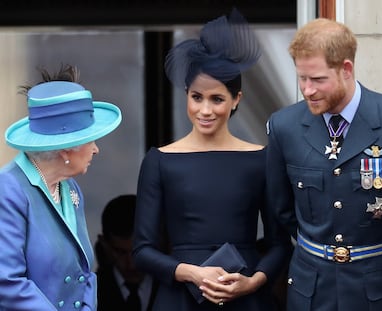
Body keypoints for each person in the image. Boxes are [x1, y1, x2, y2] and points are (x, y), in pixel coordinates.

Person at [132, 8, 292, 311]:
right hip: (179, 298)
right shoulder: (160, 160)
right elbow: (142, 250)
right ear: (186, 95)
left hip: (245, 296)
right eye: (197, 97)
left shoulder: (262, 159)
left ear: (236, 100)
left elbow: (280, 244)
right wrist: (192, 272)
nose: (205, 110)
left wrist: (254, 281)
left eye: (216, 99)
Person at [266, 18, 382, 310]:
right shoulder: (284, 126)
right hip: (312, 290)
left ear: (346, 69)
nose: (307, 90)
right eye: (302, 78)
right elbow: (281, 209)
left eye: (318, 79)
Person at [0, 65, 122, 310]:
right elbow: (7, 283)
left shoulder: (70, 188)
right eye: (91, 140)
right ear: (68, 147)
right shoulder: (8, 190)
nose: (96, 149)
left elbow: (84, 273)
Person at [95, 194, 156, 311]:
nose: (131, 264)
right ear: (105, 244)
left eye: (138, 251)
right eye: (120, 252)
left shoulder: (178, 291)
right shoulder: (88, 294)